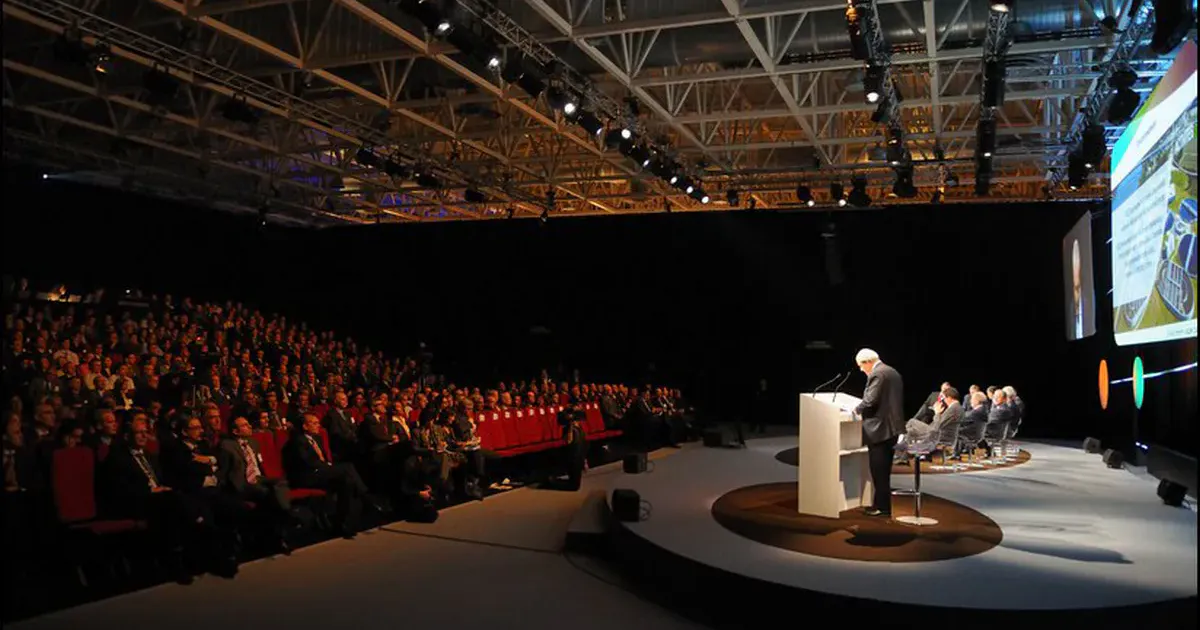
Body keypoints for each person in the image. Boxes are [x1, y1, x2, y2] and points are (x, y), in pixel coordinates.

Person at [851, 348, 904, 517]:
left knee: (878, 471)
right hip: (892, 428)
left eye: (861, 365)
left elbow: (870, 400)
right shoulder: (892, 372)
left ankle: (881, 507)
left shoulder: (878, 374)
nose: (861, 369)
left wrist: (856, 409)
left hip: (879, 430)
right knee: (884, 471)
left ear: (868, 362)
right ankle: (882, 505)